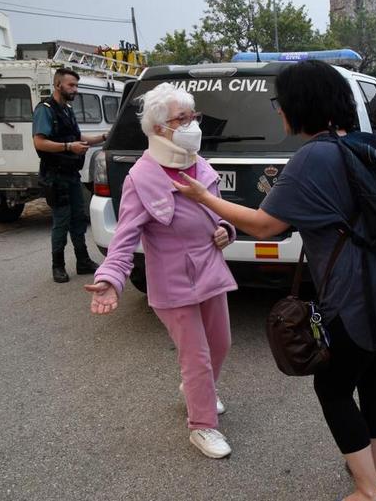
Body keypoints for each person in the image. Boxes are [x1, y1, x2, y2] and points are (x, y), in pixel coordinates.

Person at [175, 60, 376, 501]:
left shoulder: (314, 156)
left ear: (300, 106)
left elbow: (266, 226)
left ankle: (368, 491)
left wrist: (203, 196)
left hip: (356, 292)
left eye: (280, 103)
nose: (279, 112)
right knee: (373, 377)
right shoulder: (367, 143)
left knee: (333, 385)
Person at [84, 83, 237, 459]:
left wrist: (225, 230)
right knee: (197, 356)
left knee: (221, 344)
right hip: (173, 283)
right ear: (158, 129)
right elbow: (124, 237)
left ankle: (196, 389)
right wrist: (110, 279)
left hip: (210, 272)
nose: (192, 125)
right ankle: (201, 427)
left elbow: (218, 212)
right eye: (181, 119)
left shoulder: (199, 163)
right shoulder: (143, 177)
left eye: (193, 116)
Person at [33, 68, 104, 283]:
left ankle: (82, 261)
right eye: (71, 85)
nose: (75, 89)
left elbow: (77, 136)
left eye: (76, 85)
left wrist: (103, 137)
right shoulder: (45, 110)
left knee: (78, 218)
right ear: (57, 85)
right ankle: (58, 266)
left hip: (72, 175)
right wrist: (68, 146)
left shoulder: (67, 109)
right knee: (61, 221)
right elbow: (39, 141)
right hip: (55, 177)